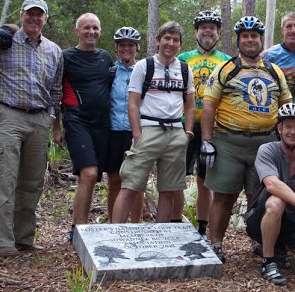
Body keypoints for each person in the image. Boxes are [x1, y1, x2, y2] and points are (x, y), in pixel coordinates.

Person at [200, 16, 293, 261]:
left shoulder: (274, 71)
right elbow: (209, 105)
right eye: (245, 36)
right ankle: (216, 244)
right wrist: (207, 142)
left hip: (265, 143)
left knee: (259, 196)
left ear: (261, 40)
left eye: (255, 36)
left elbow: (286, 106)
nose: (250, 40)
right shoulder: (227, 68)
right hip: (229, 142)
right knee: (224, 195)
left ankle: (259, 240)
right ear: (239, 40)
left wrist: (288, 141)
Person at [0, 0, 63, 257]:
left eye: (39, 15)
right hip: (7, 114)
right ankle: (4, 241)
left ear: (45, 19)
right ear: (21, 15)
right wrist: (2, 30)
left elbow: (56, 88)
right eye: (29, 14)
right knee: (6, 177)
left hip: (39, 118)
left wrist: (51, 117)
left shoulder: (53, 50)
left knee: (32, 181)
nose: (34, 18)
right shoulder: (4, 42)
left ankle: (24, 238)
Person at [112, 21, 196, 224]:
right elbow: (133, 103)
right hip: (148, 130)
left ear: (180, 45)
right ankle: (115, 237)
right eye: (167, 38)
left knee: (168, 190)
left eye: (175, 40)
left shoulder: (185, 70)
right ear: (158, 41)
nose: (171, 43)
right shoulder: (144, 66)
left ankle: (160, 238)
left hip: (175, 133)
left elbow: (190, 105)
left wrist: (188, 134)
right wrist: (137, 134)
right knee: (130, 185)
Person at [245, 103, 295, 285]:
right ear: (279, 129)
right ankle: (268, 261)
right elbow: (271, 184)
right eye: (288, 126)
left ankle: (282, 247)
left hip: (291, 219)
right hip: (260, 216)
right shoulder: (267, 150)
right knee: (277, 201)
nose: (292, 132)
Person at [54, 13, 114, 241]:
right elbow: (55, 92)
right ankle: (77, 230)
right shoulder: (66, 57)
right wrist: (56, 128)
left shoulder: (104, 57)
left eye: (95, 28)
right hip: (76, 120)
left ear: (100, 32)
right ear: (77, 31)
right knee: (88, 173)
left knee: (95, 176)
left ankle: (92, 228)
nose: (91, 32)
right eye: (86, 28)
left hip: (103, 124)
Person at [179, 10, 229, 236]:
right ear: (196, 32)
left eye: (212, 27)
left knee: (205, 180)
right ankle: (173, 223)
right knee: (177, 178)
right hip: (185, 123)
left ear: (218, 33)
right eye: (203, 27)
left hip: (213, 127)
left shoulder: (226, 60)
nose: (208, 31)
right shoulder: (184, 58)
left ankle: (201, 227)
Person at [101, 27, 144, 223]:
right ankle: (113, 225)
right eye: (122, 45)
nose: (126, 49)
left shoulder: (144, 71)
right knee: (115, 180)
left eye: (130, 45)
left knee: (136, 182)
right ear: (116, 48)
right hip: (112, 131)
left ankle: (136, 225)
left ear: (137, 48)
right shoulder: (110, 72)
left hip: (136, 132)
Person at [262, 11, 295, 109]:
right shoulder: (268, 56)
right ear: (282, 30)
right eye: (289, 26)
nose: (293, 30)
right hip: (280, 114)